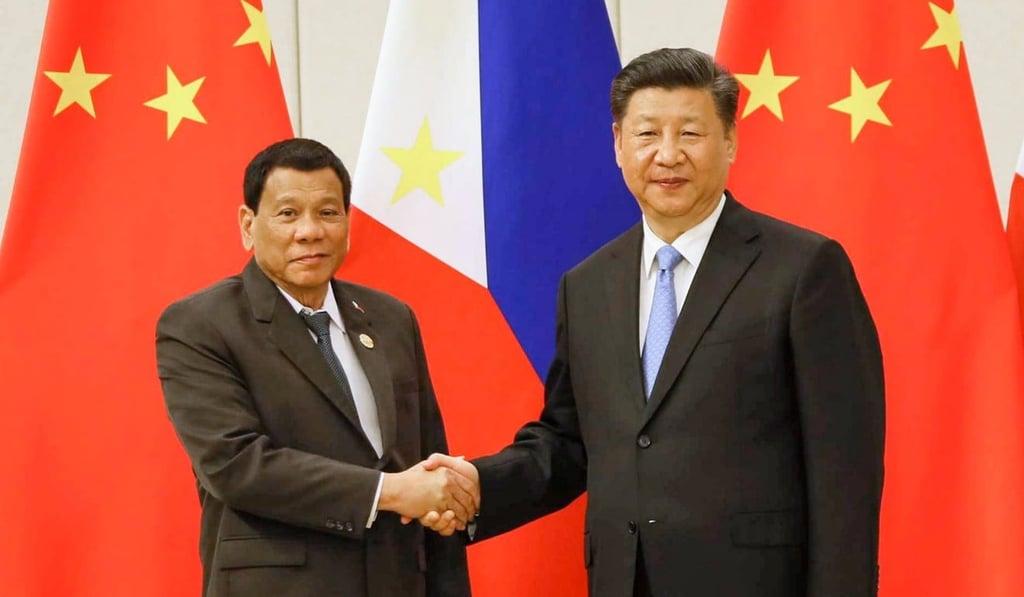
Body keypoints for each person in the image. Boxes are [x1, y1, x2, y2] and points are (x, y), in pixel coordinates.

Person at [422, 48, 885, 596]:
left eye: (690, 133)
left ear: (730, 141)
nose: (668, 155)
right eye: (647, 134)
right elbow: (570, 441)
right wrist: (480, 485)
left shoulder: (804, 268)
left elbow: (844, 470)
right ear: (619, 143)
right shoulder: (587, 285)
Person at [156, 138, 474, 597]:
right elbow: (236, 465)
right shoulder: (201, 324)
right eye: (288, 214)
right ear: (248, 225)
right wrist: (388, 492)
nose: (309, 231)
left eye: (327, 212)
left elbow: (427, 469)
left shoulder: (391, 318)